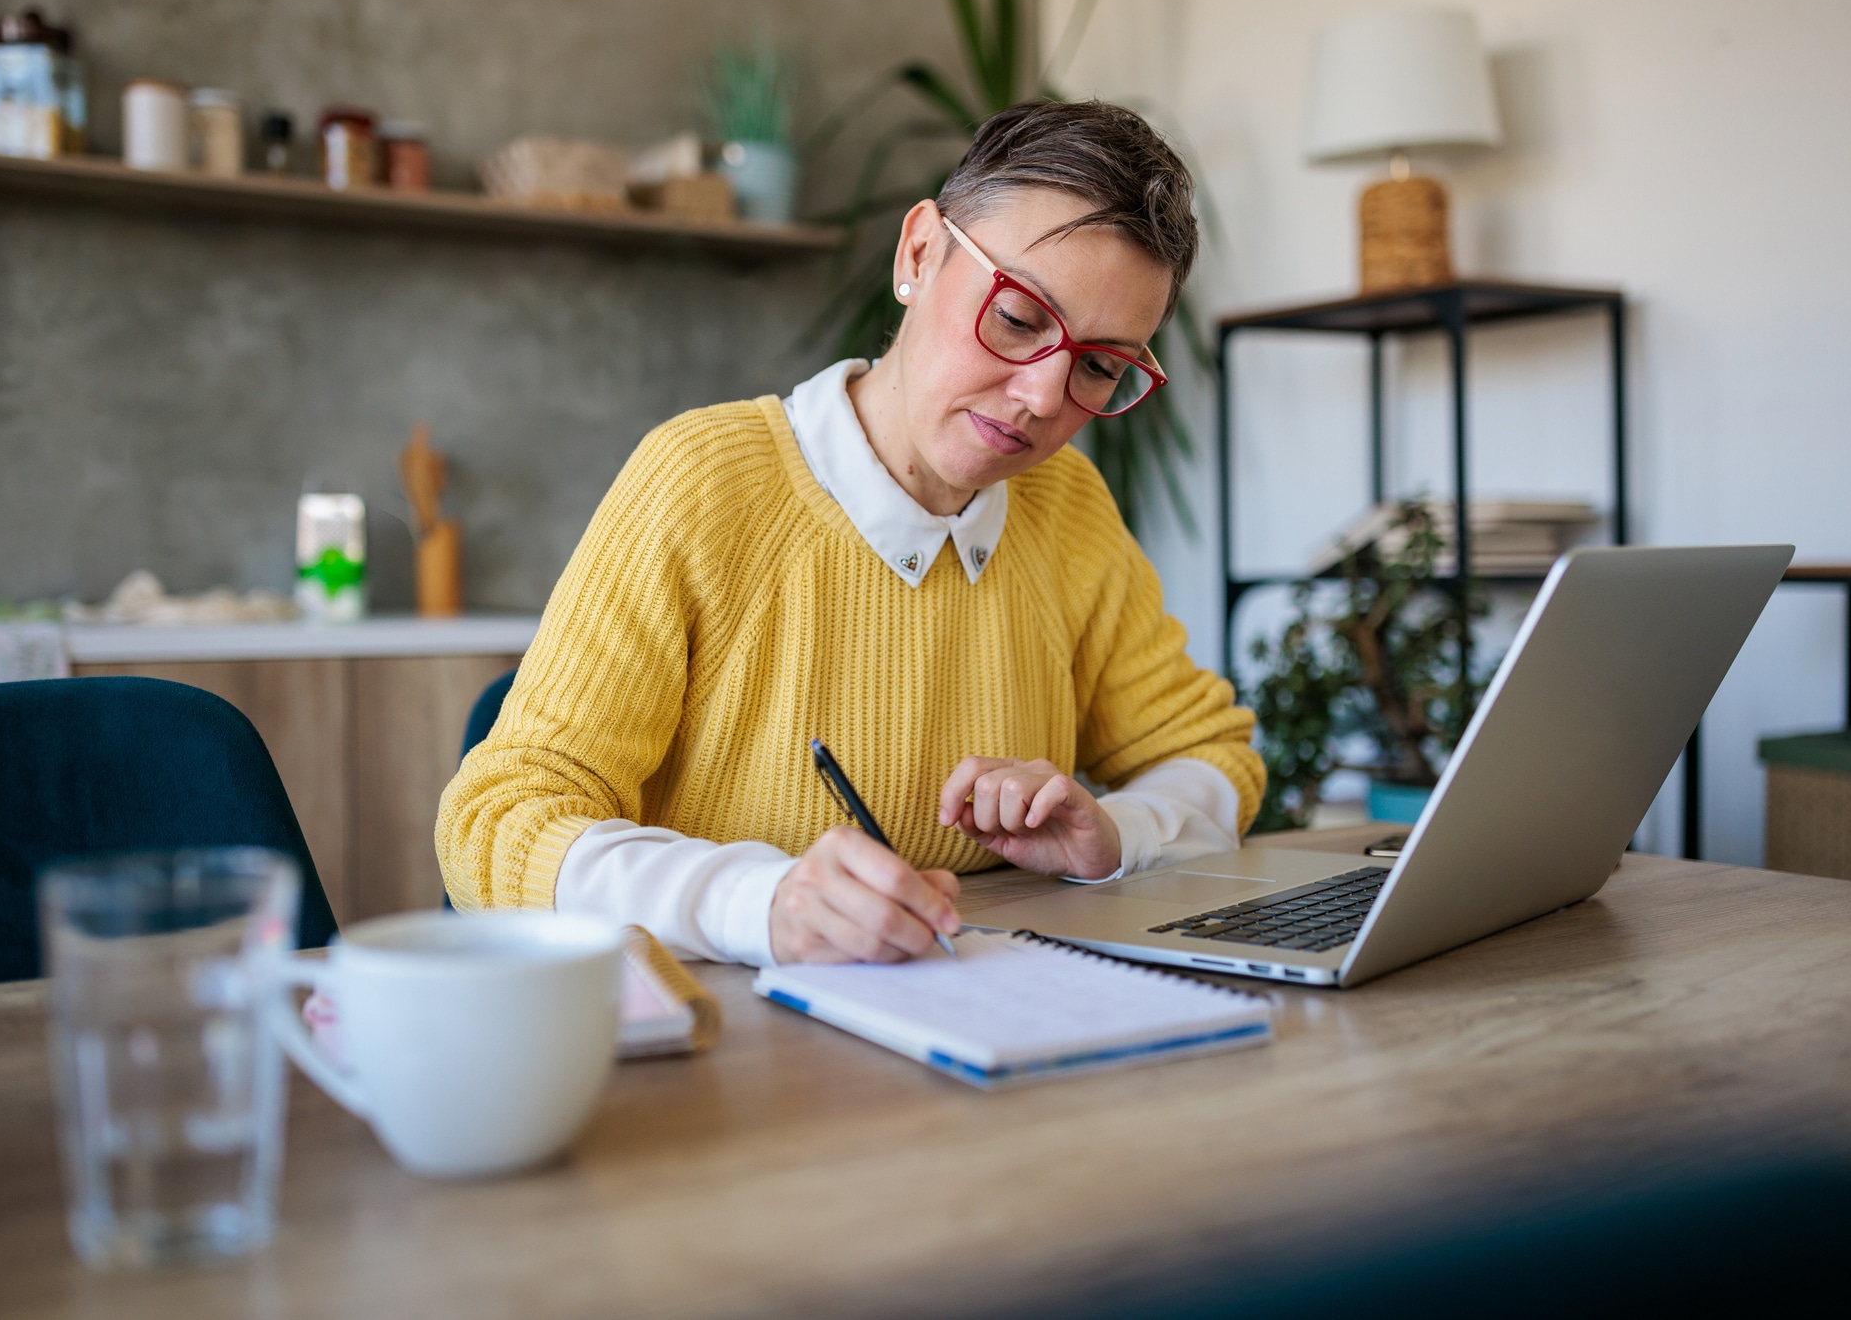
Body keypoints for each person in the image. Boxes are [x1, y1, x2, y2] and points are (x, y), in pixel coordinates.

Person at [437, 99, 1264, 966]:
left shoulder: (1067, 507)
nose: (1043, 398)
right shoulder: (703, 482)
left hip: (974, 1028)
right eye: (1018, 318)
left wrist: (1115, 832)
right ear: (918, 253)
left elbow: (1210, 756)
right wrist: (761, 903)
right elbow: (495, 823)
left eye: (1099, 365)